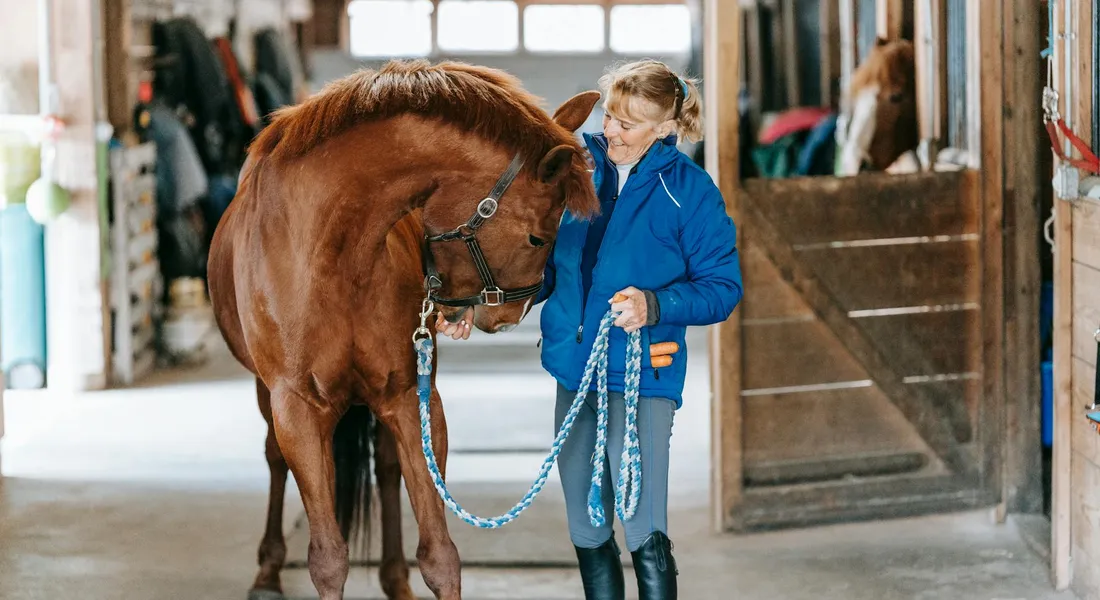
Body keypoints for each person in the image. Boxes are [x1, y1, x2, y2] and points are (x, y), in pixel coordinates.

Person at [436, 59, 742, 600]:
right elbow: (545, 266)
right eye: (609, 116)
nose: (609, 131)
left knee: (642, 523)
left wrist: (656, 303)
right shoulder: (579, 170)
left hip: (643, 373)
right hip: (575, 371)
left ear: (664, 129)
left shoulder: (690, 193)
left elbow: (723, 287)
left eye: (628, 123)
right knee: (586, 523)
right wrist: (470, 307)